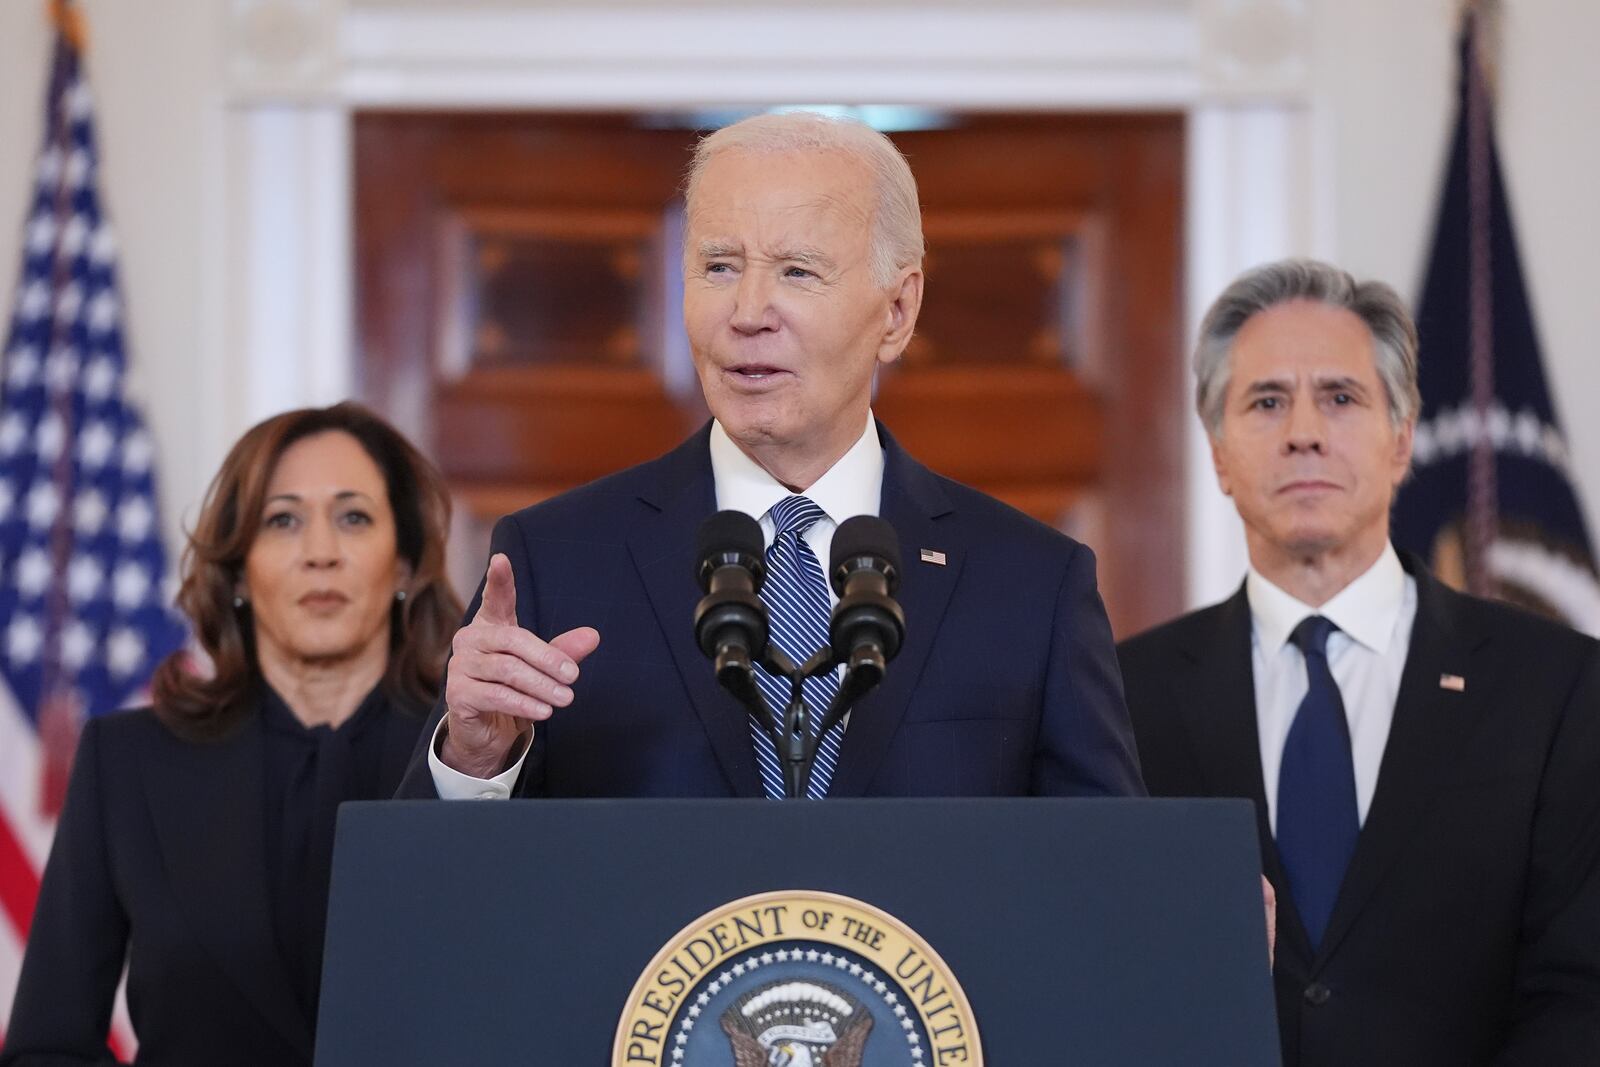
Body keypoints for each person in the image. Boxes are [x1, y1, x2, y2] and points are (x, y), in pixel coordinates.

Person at [399, 111, 1144, 802]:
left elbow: (1103, 883)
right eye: (719, 266)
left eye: (797, 270)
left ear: (897, 310)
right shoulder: (553, 560)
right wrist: (475, 760)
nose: (748, 313)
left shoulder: (1032, 583)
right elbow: (430, 901)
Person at [1118, 259, 1600, 1065]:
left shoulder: (1555, 687)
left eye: (1340, 398)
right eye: (1267, 401)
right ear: (1220, 454)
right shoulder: (1124, 695)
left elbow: (1578, 992)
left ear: (1402, 438)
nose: (1304, 429)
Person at [2, 404, 462, 1067]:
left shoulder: (475, 760)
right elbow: (47, 1047)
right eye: (283, 520)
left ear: (404, 566)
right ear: (240, 571)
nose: (321, 552)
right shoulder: (128, 761)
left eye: (354, 516)